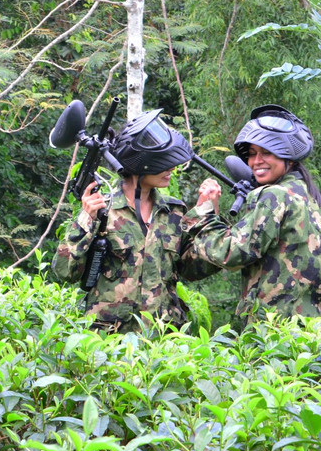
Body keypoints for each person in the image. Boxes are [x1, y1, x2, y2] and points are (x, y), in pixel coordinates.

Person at [52, 109, 219, 331]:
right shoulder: (102, 210)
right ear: (140, 163)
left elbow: (194, 270)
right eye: (162, 162)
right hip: (111, 343)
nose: (171, 168)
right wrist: (85, 220)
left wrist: (206, 214)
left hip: (162, 343)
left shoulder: (174, 213)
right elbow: (64, 271)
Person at [190, 105, 321, 321]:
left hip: (272, 331)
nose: (256, 161)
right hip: (306, 332)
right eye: (251, 154)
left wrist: (205, 214)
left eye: (267, 153)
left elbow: (231, 254)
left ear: (288, 156)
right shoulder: (307, 195)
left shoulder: (274, 196)